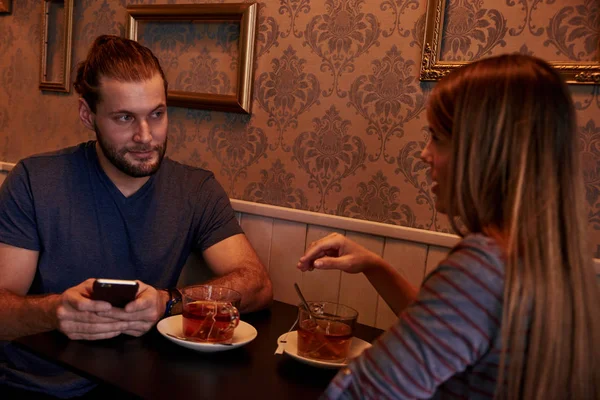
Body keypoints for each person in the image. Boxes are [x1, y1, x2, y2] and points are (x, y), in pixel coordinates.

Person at [298, 54, 599, 399]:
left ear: (485, 152)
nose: (425, 154)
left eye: (438, 138)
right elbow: (455, 328)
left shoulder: (482, 267)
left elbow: (362, 392)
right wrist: (374, 265)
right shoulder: (547, 254)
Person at [0, 35, 272, 398]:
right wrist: (55, 311)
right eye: (125, 118)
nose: (146, 136)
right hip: (37, 385)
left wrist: (168, 300)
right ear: (87, 115)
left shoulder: (195, 188)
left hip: (141, 384)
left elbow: (256, 284)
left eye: (157, 114)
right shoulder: (35, 181)